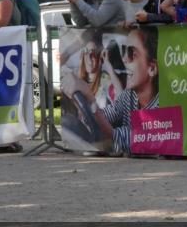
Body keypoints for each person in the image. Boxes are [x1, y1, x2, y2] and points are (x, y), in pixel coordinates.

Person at [61, 26, 159, 156]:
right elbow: (108, 114)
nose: (124, 59)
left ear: (152, 69)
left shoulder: (160, 108)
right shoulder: (130, 95)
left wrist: (90, 99)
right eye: (124, 51)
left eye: (132, 54)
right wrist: (85, 108)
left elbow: (120, 138)